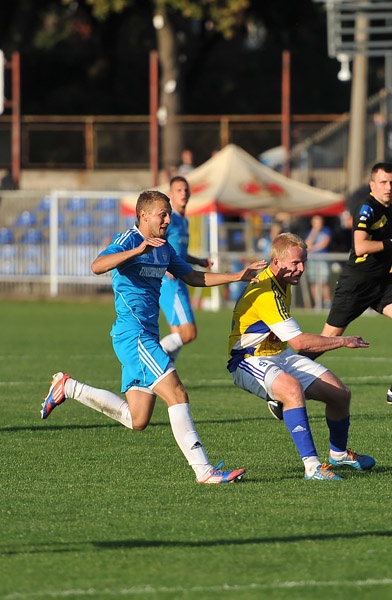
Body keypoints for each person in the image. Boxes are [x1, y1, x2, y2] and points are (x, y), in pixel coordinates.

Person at [40, 190, 267, 484]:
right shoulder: (128, 240)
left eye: (169, 213)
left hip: (145, 335)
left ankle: (68, 388)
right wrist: (138, 250)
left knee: (138, 419)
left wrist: (238, 276)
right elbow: (97, 266)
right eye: (163, 214)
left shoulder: (165, 247)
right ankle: (204, 471)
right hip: (133, 336)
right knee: (177, 393)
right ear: (143, 215)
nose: (168, 219)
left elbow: (193, 276)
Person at [229, 233, 374, 481]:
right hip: (248, 359)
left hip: (279, 354)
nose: (301, 268)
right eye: (295, 263)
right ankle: (312, 467)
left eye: (304, 262)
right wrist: (343, 340)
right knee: (292, 389)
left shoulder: (283, 282)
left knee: (340, 394)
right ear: (276, 262)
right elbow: (299, 342)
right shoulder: (266, 292)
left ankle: (338, 454)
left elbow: (290, 343)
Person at [320, 163, 392, 406]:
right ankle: (281, 381)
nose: (389, 187)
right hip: (356, 285)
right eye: (383, 182)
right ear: (372, 185)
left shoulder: (387, 210)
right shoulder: (367, 208)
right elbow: (360, 247)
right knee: (326, 340)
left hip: (381, 283)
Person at [158, 176, 211, 361]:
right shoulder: (168, 220)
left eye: (186, 190)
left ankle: (163, 374)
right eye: (179, 190)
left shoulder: (184, 221)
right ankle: (152, 359)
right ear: (171, 194)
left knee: (179, 332)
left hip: (179, 280)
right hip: (170, 283)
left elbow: (178, 252)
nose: (184, 193)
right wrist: (164, 266)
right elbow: (154, 243)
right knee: (189, 332)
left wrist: (199, 261)